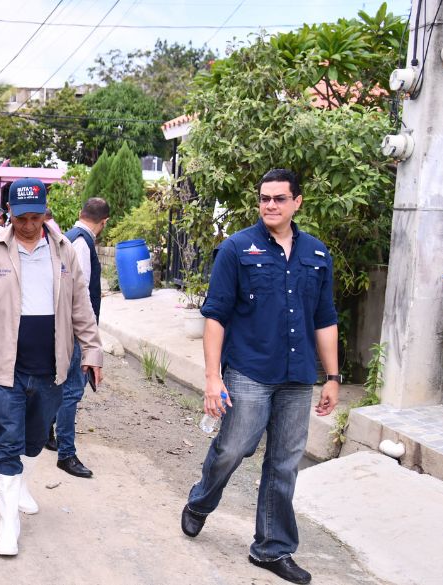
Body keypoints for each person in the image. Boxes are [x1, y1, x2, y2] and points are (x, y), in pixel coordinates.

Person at [181, 168, 339, 585]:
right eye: (264, 198)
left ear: (297, 202)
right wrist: (213, 378)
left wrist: (333, 376)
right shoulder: (236, 249)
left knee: (285, 464)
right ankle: (200, 502)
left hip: (298, 375)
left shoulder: (318, 254)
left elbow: (324, 319)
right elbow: (215, 316)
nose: (270, 205)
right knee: (234, 448)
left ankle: (272, 549)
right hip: (249, 370)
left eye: (279, 198)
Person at [0, 178, 103, 557]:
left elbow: (80, 306)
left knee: (37, 436)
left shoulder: (63, 251)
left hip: (51, 365)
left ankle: (21, 483)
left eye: (35, 217)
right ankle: (8, 523)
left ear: (46, 212)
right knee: (6, 440)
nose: (28, 225)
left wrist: (92, 351)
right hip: (5, 366)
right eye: (20, 217)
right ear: (9, 212)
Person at [48, 197, 110, 478]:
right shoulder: (82, 244)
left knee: (58, 386)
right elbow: (78, 294)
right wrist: (87, 340)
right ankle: (66, 453)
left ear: (80, 213)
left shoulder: (69, 237)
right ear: (105, 222)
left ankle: (48, 436)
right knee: (72, 390)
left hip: (64, 327)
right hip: (73, 329)